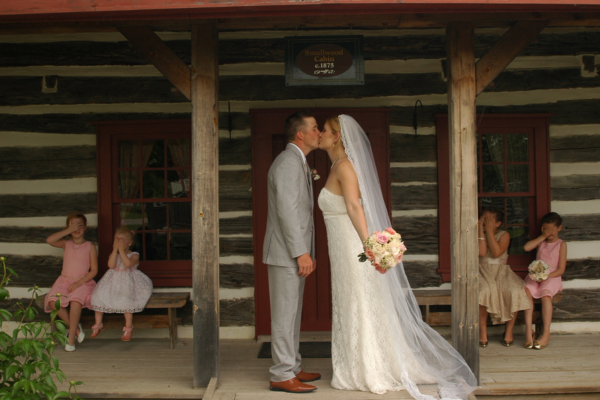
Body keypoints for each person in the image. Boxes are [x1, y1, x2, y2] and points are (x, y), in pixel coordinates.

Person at [317, 115, 477, 400]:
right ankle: (354, 365)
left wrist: (370, 245)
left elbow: (355, 207)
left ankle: (369, 368)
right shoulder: (335, 166)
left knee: (359, 301)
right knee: (349, 301)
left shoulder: (345, 167)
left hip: (352, 246)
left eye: (325, 131)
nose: (320, 134)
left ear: (337, 137)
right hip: (340, 247)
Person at [262, 110, 321, 394]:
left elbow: (299, 212)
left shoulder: (297, 161)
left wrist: (306, 251)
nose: (318, 132)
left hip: (292, 252)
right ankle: (281, 374)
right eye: (314, 128)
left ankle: (293, 367)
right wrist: (301, 253)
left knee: (292, 314)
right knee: (284, 315)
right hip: (286, 254)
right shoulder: (287, 162)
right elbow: (287, 212)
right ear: (300, 134)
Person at [477, 207, 529, 348]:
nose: (484, 222)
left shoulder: (504, 235)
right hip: (482, 271)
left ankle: (509, 331)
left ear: (498, 223)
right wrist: (481, 232)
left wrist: (489, 233)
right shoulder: (476, 234)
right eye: (483, 219)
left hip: (501, 272)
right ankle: (483, 333)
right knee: (484, 292)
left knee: (514, 291)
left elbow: (496, 252)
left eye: (488, 220)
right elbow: (482, 253)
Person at [45, 213, 98, 352]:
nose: (76, 228)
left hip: (82, 282)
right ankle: (76, 329)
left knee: (75, 301)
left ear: (85, 227)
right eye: (72, 225)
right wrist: (68, 230)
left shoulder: (89, 246)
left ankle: (71, 339)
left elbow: (94, 270)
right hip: (64, 280)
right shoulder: (66, 244)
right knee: (52, 301)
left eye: (79, 225)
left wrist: (78, 283)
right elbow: (50, 240)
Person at [90, 227, 153, 341]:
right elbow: (111, 265)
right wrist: (115, 250)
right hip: (112, 282)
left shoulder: (134, 255)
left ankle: (128, 327)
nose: (118, 243)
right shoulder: (113, 253)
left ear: (129, 243)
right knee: (98, 297)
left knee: (126, 300)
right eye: (116, 240)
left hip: (128, 282)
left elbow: (128, 264)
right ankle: (98, 324)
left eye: (121, 240)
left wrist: (122, 251)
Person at [522, 212, 567, 350]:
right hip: (536, 275)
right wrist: (542, 236)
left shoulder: (561, 244)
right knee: (526, 291)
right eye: (547, 229)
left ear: (559, 228)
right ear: (542, 228)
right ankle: (529, 331)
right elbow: (526, 247)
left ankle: (546, 333)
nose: (550, 232)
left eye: (553, 229)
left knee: (546, 295)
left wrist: (546, 277)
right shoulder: (541, 241)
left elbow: (561, 269)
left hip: (552, 276)